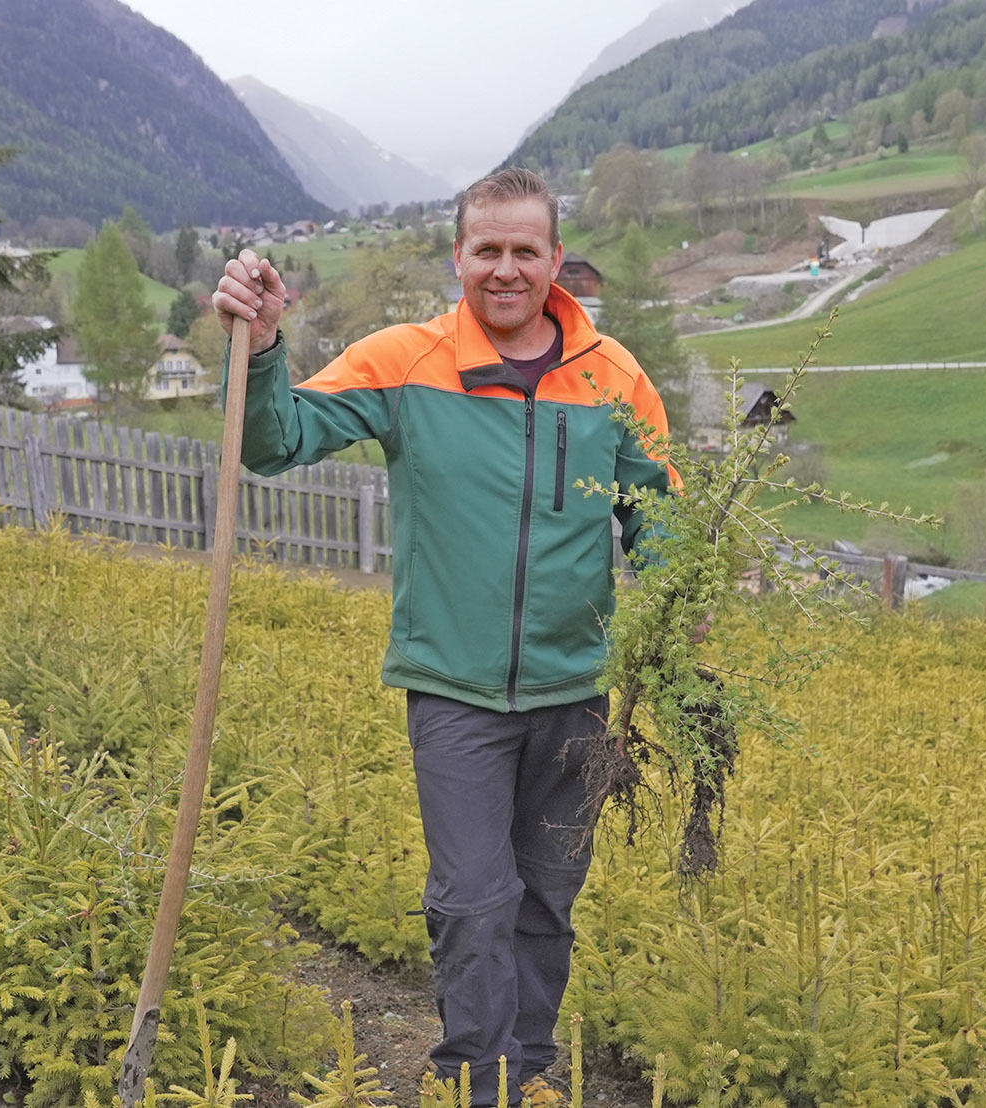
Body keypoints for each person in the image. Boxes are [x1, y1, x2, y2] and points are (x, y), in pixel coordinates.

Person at [212, 167, 675, 1108]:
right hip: (454, 691)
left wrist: (684, 597)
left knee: (546, 900)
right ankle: (478, 1081)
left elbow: (655, 512)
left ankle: (528, 1072)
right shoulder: (403, 362)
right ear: (459, 255)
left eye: (525, 251)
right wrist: (262, 350)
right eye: (487, 250)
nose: (505, 270)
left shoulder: (614, 378)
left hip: (576, 690)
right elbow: (274, 441)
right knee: (472, 900)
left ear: (556, 261)